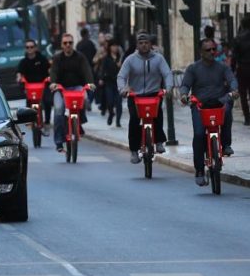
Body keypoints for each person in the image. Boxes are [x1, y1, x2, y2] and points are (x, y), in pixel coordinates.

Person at [180, 38, 239, 186]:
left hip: (219, 102)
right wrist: (184, 95)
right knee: (199, 134)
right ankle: (199, 170)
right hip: (200, 105)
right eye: (208, 50)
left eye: (214, 49)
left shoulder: (222, 67)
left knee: (227, 111)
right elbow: (185, 85)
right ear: (201, 52)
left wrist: (234, 90)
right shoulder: (193, 68)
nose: (212, 52)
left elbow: (232, 79)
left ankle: (225, 144)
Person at [117, 32, 173, 163]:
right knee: (134, 120)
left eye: (146, 43)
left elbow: (167, 73)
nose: (144, 46)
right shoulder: (130, 59)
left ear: (150, 44)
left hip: (154, 93)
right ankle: (134, 151)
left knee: (157, 115)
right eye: (141, 43)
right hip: (135, 95)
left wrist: (169, 88)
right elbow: (121, 76)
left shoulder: (159, 58)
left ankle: (159, 141)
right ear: (137, 45)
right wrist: (123, 89)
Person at [49, 33, 95, 153]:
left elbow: (87, 71)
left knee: (85, 99)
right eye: (65, 43)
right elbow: (53, 72)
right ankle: (59, 141)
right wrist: (53, 83)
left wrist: (90, 83)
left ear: (73, 44)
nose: (68, 45)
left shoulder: (80, 57)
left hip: (77, 87)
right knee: (59, 109)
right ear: (62, 45)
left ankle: (79, 122)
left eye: (70, 43)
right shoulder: (57, 58)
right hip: (60, 89)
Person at [16, 38, 52, 133]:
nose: (30, 49)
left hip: (42, 85)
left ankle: (47, 122)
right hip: (30, 87)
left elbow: (49, 69)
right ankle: (28, 120)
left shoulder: (42, 59)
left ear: (35, 48)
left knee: (47, 101)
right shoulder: (23, 62)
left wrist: (50, 76)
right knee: (28, 102)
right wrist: (19, 77)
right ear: (25, 49)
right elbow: (19, 72)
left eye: (31, 47)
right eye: (27, 47)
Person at [99, 39, 123, 127]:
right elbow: (102, 69)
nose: (115, 48)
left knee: (119, 103)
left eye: (116, 46)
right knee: (110, 101)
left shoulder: (120, 58)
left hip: (119, 83)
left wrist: (120, 67)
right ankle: (111, 113)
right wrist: (101, 79)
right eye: (113, 46)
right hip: (109, 82)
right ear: (110, 47)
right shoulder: (106, 58)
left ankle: (118, 121)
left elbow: (125, 70)